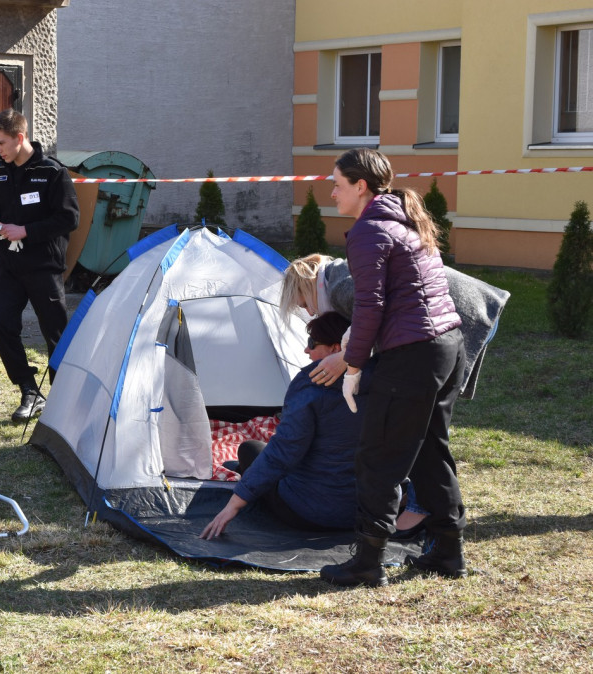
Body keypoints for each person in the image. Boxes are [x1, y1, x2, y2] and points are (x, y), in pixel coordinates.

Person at [317, 148, 468, 587]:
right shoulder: (404, 219)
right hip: (445, 347)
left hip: (413, 355)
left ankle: (367, 562)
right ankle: (447, 552)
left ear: (360, 186)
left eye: (337, 184)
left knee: (378, 456)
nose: (331, 192)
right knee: (429, 450)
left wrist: (353, 367)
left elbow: (370, 308)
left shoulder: (369, 230)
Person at [200, 312, 364, 539]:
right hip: (363, 512)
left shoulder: (312, 385)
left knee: (251, 449)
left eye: (312, 343)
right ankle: (243, 469)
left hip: (309, 512)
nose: (306, 350)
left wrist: (233, 505)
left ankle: (244, 470)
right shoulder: (379, 381)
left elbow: (285, 451)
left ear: (337, 349)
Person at [280, 252, 509, 399]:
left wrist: (343, 360)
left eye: (304, 304)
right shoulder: (338, 275)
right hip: (468, 305)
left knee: (427, 399)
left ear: (308, 285)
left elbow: (374, 318)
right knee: (433, 401)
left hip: (465, 307)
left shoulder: (339, 286)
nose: (311, 312)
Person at [0, 109, 79, 423]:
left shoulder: (52, 172)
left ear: (19, 138)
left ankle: (64, 400)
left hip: (43, 266)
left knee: (56, 335)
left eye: (1, 143)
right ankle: (29, 390)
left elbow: (69, 218)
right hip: (9, 264)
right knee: (1, 325)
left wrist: (27, 230)